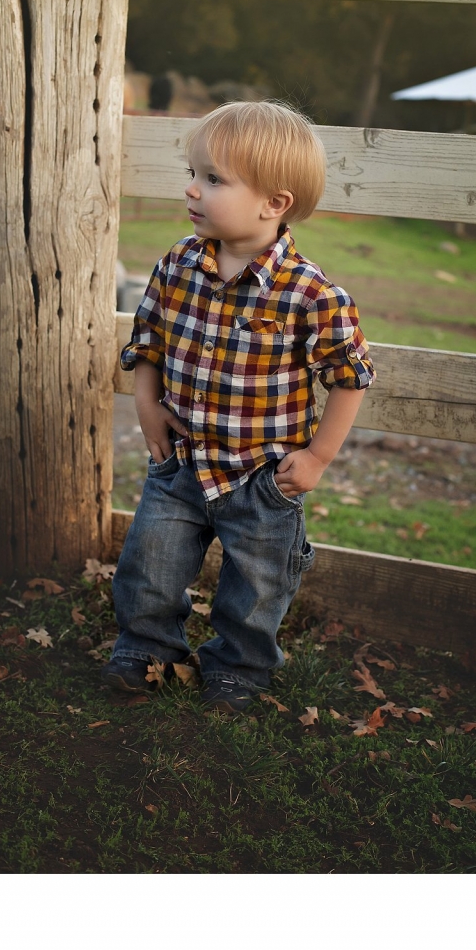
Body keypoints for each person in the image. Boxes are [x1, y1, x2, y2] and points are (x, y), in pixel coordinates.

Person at [102, 100, 376, 713]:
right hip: (180, 461)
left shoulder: (312, 294)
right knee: (151, 564)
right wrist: (147, 406)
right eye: (194, 172)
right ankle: (147, 649)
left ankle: (238, 667)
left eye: (213, 179)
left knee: (256, 584)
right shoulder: (179, 263)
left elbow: (350, 377)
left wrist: (319, 457)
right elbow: (147, 340)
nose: (191, 189)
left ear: (273, 203)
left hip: (262, 476)